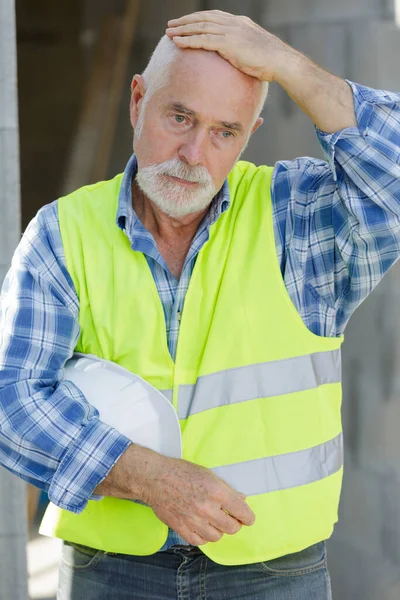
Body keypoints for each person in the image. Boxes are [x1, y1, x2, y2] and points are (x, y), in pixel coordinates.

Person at [1, 9, 400, 600]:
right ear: (137, 102)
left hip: (274, 575)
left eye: (224, 132)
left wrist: (290, 65)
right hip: (111, 572)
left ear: (250, 133)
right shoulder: (62, 234)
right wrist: (146, 477)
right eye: (180, 116)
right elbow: (14, 397)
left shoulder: (296, 219)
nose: (194, 154)